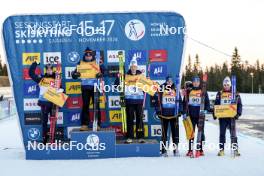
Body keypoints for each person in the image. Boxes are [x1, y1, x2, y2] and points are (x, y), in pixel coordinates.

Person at [71, 47, 104, 131]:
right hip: (85, 87)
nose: (88, 57)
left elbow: (104, 71)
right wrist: (75, 74)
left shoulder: (96, 63)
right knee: (85, 105)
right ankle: (85, 124)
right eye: (87, 56)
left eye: (89, 56)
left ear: (92, 56)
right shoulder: (80, 63)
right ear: (84, 56)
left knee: (96, 106)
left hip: (95, 87)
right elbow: (74, 75)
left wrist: (100, 74)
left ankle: (97, 124)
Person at [115, 58, 145, 144]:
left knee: (140, 119)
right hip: (129, 100)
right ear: (130, 67)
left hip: (139, 100)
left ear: (137, 67)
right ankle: (130, 136)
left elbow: (148, 86)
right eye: (132, 67)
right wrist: (118, 78)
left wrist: (148, 82)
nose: (133, 68)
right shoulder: (125, 76)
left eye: (134, 67)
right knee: (130, 119)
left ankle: (140, 136)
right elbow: (116, 85)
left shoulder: (141, 76)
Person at [213, 76, 242, 156]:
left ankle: (235, 149)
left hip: (231, 117)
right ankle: (221, 150)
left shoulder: (235, 93)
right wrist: (215, 114)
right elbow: (216, 104)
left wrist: (238, 113)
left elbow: (239, 104)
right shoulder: (219, 93)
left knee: (233, 134)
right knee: (222, 134)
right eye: (225, 85)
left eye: (227, 85)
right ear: (223, 85)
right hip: (222, 117)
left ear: (230, 85)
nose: (226, 86)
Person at [155, 75, 183, 156]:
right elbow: (157, 101)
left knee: (175, 133)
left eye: (171, 81)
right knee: (164, 134)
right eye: (168, 81)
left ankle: (175, 149)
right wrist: (158, 111)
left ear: (172, 82)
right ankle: (163, 150)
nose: (169, 83)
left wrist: (180, 111)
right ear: (166, 82)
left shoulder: (175, 89)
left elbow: (179, 101)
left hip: (174, 115)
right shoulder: (162, 89)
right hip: (164, 115)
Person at [183, 75, 210, 157]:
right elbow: (184, 103)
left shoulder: (203, 91)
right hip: (191, 115)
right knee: (191, 133)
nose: (196, 83)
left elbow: (207, 103)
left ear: (199, 82)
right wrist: (184, 112)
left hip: (200, 116)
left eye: (197, 81)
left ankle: (200, 149)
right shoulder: (188, 92)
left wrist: (206, 109)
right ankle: (190, 150)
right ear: (192, 82)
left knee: (201, 133)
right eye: (194, 81)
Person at [29, 61, 56, 144]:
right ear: (45, 70)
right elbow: (31, 74)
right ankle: (44, 138)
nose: (49, 71)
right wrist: (34, 64)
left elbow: (60, 89)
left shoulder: (56, 78)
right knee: (44, 121)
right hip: (44, 103)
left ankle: (52, 138)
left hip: (53, 103)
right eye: (47, 69)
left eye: (50, 69)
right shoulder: (41, 78)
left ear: (52, 70)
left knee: (53, 122)